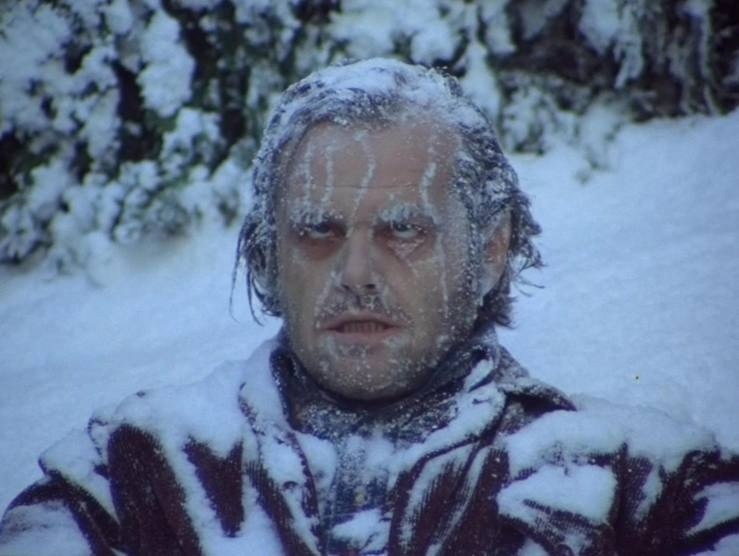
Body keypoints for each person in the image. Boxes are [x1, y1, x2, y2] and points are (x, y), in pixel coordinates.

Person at [1, 58, 738, 556]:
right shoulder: (140, 471)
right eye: (318, 231)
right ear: (267, 255)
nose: (355, 274)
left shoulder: (640, 485)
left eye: (404, 230)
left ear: (490, 250)